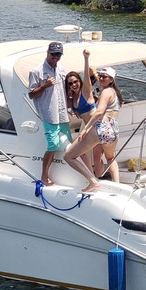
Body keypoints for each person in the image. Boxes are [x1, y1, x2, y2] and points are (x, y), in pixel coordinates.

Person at [64, 65, 123, 191]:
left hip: (98, 127)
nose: (101, 78)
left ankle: (93, 181)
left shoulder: (104, 92)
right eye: (100, 76)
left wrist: (86, 129)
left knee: (69, 156)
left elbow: (99, 112)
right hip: (113, 129)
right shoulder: (113, 92)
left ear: (111, 79)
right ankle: (118, 186)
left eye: (104, 77)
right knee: (110, 158)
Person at [28, 41, 70, 186]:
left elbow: (66, 90)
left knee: (68, 144)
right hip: (49, 115)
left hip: (63, 113)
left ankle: (68, 173)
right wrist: (45, 86)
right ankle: (44, 176)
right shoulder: (36, 71)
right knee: (53, 145)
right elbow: (31, 94)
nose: (56, 57)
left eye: (59, 54)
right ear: (48, 52)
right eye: (53, 54)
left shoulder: (61, 69)